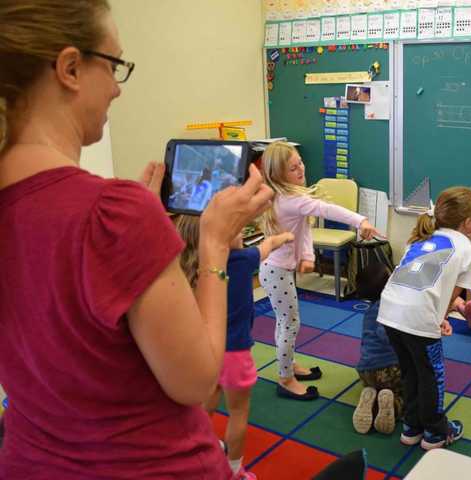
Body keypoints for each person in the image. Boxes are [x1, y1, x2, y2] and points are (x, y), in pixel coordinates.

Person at [0, 2, 273, 478]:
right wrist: (213, 242)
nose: (117, 89)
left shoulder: (104, 214)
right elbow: (196, 381)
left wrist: (142, 232)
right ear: (69, 68)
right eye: (113, 65)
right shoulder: (113, 213)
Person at [259, 141, 381, 400]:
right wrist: (360, 220)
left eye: (300, 162)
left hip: (278, 269)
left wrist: (306, 256)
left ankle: (288, 364)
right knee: (289, 324)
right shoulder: (292, 200)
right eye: (293, 168)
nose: (301, 168)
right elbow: (327, 209)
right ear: (279, 174)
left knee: (286, 323)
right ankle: (285, 379)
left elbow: (302, 230)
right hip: (276, 271)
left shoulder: (286, 197)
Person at [174, 215, 293, 479]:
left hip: (203, 350)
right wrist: (285, 237)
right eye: (238, 231)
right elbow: (267, 245)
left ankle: (200, 451)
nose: (243, 236)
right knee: (238, 412)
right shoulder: (242, 260)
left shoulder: (188, 264)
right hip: (235, 352)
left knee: (206, 405)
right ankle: (234, 470)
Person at [378, 187, 471, 450]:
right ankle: (435, 432)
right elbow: (451, 297)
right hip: (418, 317)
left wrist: (437, 318)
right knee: (431, 375)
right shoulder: (469, 250)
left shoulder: (421, 237)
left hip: (390, 311)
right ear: (468, 221)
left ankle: (412, 427)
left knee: (410, 371)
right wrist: (440, 317)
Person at [353, 280, 402, 436]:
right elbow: (384, 334)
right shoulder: (390, 305)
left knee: (378, 386)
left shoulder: (369, 310)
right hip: (389, 370)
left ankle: (371, 399)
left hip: (365, 370)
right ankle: (393, 405)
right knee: (412, 392)